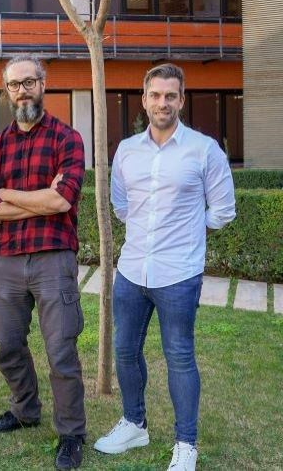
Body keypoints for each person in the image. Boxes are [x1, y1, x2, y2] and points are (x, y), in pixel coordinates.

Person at [93, 63, 235, 471]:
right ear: (144, 99)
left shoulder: (204, 150)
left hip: (178, 274)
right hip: (132, 270)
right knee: (124, 350)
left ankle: (185, 443)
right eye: (156, 95)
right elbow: (121, 206)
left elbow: (223, 211)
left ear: (182, 100)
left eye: (171, 95)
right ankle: (134, 423)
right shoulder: (127, 150)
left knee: (180, 357)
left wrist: (189, 231)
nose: (163, 103)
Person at [0, 54, 86, 470]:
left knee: (61, 349)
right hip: (8, 260)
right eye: (14, 84)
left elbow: (63, 199)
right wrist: (38, 199)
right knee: (6, 342)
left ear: (44, 83)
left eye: (29, 81)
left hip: (54, 258)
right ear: (6, 91)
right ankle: (25, 409)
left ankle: (71, 432)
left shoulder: (66, 139)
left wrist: (9, 193)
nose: (22, 90)